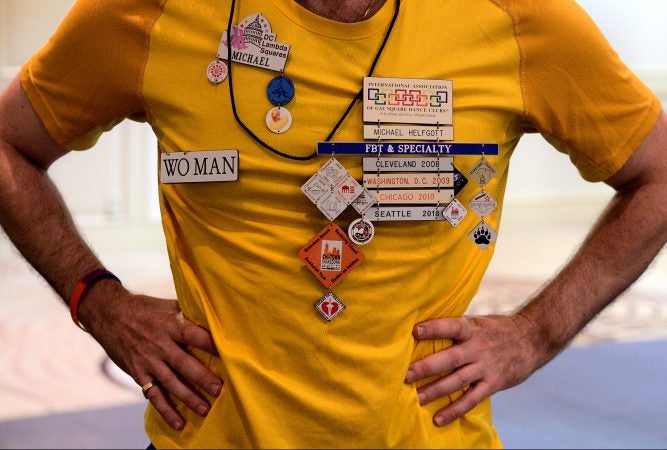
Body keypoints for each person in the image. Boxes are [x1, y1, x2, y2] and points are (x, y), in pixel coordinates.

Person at [0, 0, 665, 447]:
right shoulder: (150, 12)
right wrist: (98, 300)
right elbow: (9, 145)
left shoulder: (517, 20)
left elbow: (657, 174)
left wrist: (537, 332)